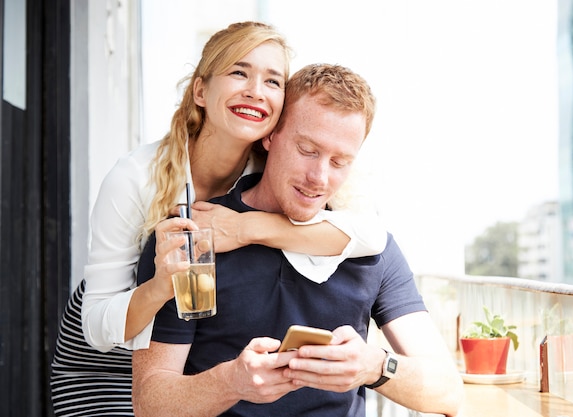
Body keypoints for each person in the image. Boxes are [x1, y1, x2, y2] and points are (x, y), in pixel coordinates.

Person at [50, 22, 386, 417]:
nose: (255, 90)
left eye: (273, 81)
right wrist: (160, 285)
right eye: (239, 72)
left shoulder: (275, 167)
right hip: (108, 359)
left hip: (178, 362)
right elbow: (95, 327)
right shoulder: (135, 178)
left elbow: (372, 236)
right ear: (200, 91)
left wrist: (244, 229)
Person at [132, 63, 464, 417]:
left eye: (340, 161)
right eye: (307, 150)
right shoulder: (196, 237)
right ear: (271, 134)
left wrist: (375, 365)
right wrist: (231, 382)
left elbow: (447, 393)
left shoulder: (371, 252)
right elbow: (150, 402)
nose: (319, 178)